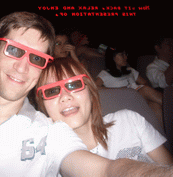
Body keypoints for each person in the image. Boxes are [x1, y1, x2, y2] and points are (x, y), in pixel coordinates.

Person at [0, 12, 172, 177]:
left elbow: (107, 169)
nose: (22, 66)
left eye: (36, 57)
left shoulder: (49, 131)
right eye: (15, 50)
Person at [35, 57, 173, 167]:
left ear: (90, 90)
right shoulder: (48, 162)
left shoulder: (130, 121)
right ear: (42, 105)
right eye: (51, 91)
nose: (65, 96)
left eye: (74, 84)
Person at [95, 47, 164, 125]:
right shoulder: (105, 74)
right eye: (122, 55)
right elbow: (95, 87)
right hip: (123, 101)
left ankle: (163, 135)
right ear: (113, 57)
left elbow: (145, 83)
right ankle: (168, 102)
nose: (126, 57)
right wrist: (120, 90)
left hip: (138, 97)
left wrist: (136, 88)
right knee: (145, 90)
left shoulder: (130, 70)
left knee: (156, 106)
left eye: (126, 54)